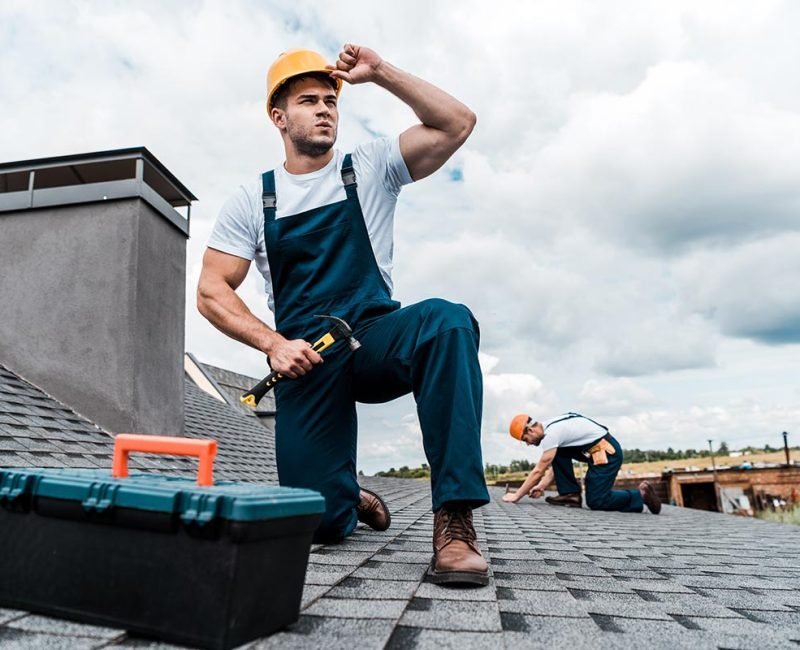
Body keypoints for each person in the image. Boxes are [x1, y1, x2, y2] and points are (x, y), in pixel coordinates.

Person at [197, 45, 490, 585]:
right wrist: (272, 344)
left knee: (448, 321)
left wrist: (379, 74)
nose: (325, 108)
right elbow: (212, 290)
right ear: (278, 117)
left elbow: (456, 124)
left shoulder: (372, 167)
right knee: (320, 525)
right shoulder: (253, 200)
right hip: (305, 359)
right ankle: (345, 494)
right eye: (308, 101)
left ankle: (455, 519)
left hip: (375, 340)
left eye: (331, 100)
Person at [502, 412, 661, 514]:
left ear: (530, 431)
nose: (528, 444)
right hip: (597, 454)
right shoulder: (550, 428)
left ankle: (640, 495)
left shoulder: (551, 433)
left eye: (525, 440)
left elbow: (539, 470)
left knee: (596, 501)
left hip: (608, 455)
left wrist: (517, 495)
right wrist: (542, 486)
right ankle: (570, 494)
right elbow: (555, 462)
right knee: (559, 452)